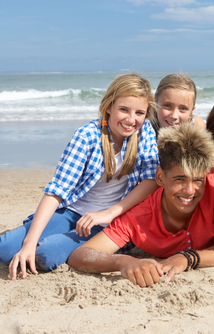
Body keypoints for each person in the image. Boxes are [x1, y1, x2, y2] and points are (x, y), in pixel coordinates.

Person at [0, 73, 160, 280]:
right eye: (123, 109)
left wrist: (109, 213)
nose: (131, 119)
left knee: (44, 256)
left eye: (139, 112)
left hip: (108, 223)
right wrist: (29, 242)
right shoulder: (87, 136)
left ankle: (50, 242)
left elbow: (150, 181)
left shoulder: (144, 132)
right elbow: (57, 191)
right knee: (6, 249)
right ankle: (26, 234)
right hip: (72, 213)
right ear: (109, 107)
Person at [68, 124, 214, 288]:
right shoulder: (140, 215)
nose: (190, 190)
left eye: (198, 180)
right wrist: (124, 261)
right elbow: (80, 255)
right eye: (180, 179)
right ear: (160, 177)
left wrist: (187, 258)